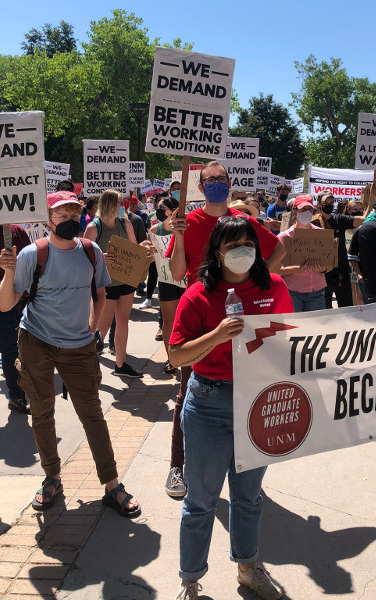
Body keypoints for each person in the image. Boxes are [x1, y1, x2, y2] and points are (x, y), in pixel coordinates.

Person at [168, 216, 292, 600]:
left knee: (249, 496)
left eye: (249, 244)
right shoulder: (198, 295)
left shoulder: (273, 286)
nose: (243, 251)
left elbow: (291, 338)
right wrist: (217, 334)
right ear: (217, 253)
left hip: (258, 402)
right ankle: (190, 581)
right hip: (209, 404)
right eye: (233, 245)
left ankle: (248, 567)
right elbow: (175, 356)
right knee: (201, 502)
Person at [0, 191, 140, 517]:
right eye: (62, 215)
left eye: (75, 213)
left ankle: (112, 484)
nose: (71, 220)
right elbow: (6, 304)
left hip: (79, 348)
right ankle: (51, 478)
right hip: (37, 343)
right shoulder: (33, 255)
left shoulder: (91, 253)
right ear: (48, 219)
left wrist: (93, 328)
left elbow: (100, 292)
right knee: (42, 411)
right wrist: (7, 271)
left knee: (92, 414)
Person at [164, 160, 285, 498]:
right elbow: (176, 273)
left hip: (242, 320)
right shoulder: (187, 221)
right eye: (210, 180)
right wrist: (177, 234)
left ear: (229, 184)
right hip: (202, 318)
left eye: (222, 179)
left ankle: (239, 463)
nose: (216, 183)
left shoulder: (243, 221)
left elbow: (279, 249)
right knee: (190, 391)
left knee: (244, 391)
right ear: (200, 187)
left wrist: (258, 283)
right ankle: (178, 465)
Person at [84, 189, 144, 378]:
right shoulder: (94, 228)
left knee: (123, 321)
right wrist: (100, 257)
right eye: (119, 202)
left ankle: (120, 364)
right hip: (105, 283)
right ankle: (88, 368)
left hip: (125, 278)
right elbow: (82, 256)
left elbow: (134, 247)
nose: (123, 206)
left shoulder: (125, 222)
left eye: (123, 202)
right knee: (102, 327)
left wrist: (144, 248)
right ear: (109, 204)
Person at [0, 224, 31, 414]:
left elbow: (31, 263)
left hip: (12, 301)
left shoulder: (16, 231)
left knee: (10, 350)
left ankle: (16, 396)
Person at [149, 194, 183, 374]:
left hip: (185, 279)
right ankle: (171, 359)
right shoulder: (154, 230)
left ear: (174, 210)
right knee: (168, 321)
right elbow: (151, 251)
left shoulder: (184, 228)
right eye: (158, 208)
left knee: (184, 319)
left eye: (163, 208)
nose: (160, 211)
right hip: (165, 280)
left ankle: (186, 357)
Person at [313, 192, 365, 308]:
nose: (330, 205)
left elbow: (363, 219)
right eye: (326, 203)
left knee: (346, 310)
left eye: (332, 202)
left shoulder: (339, 219)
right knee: (324, 312)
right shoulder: (313, 223)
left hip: (341, 273)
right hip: (321, 275)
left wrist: (370, 197)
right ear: (319, 204)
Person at [278, 195, 327, 312]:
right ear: (294, 211)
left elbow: (329, 265)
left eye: (309, 209)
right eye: (303, 209)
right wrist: (295, 269)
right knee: (295, 328)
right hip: (292, 293)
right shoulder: (284, 237)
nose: (307, 212)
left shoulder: (322, 234)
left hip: (317, 292)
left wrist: (322, 268)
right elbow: (275, 270)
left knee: (316, 329)